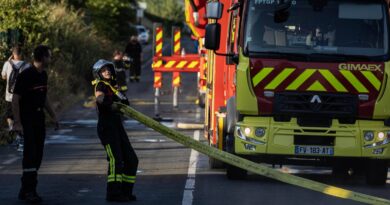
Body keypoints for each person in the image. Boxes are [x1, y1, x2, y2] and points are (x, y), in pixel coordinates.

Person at [12, 45, 59, 203]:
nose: (50, 59)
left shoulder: (43, 75)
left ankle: (25, 189)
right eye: (49, 56)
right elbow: (15, 99)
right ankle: (29, 190)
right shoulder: (26, 74)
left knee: (38, 155)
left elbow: (44, 97)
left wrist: (53, 115)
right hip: (27, 119)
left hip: (39, 118)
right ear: (43, 57)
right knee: (30, 155)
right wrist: (17, 122)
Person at [92, 59, 138, 202]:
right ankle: (113, 193)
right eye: (103, 70)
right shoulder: (101, 85)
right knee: (115, 159)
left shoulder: (113, 87)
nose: (107, 71)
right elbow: (99, 97)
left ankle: (126, 191)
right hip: (107, 126)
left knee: (131, 159)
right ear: (98, 73)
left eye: (109, 69)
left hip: (117, 125)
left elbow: (125, 101)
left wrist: (120, 101)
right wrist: (109, 104)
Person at [1, 46, 29, 151]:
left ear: (13, 54)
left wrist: (9, 61)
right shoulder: (27, 65)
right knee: (20, 117)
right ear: (22, 54)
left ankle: (12, 128)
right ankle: (19, 136)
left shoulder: (7, 64)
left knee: (10, 116)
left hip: (9, 96)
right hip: (22, 97)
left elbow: (3, 76)